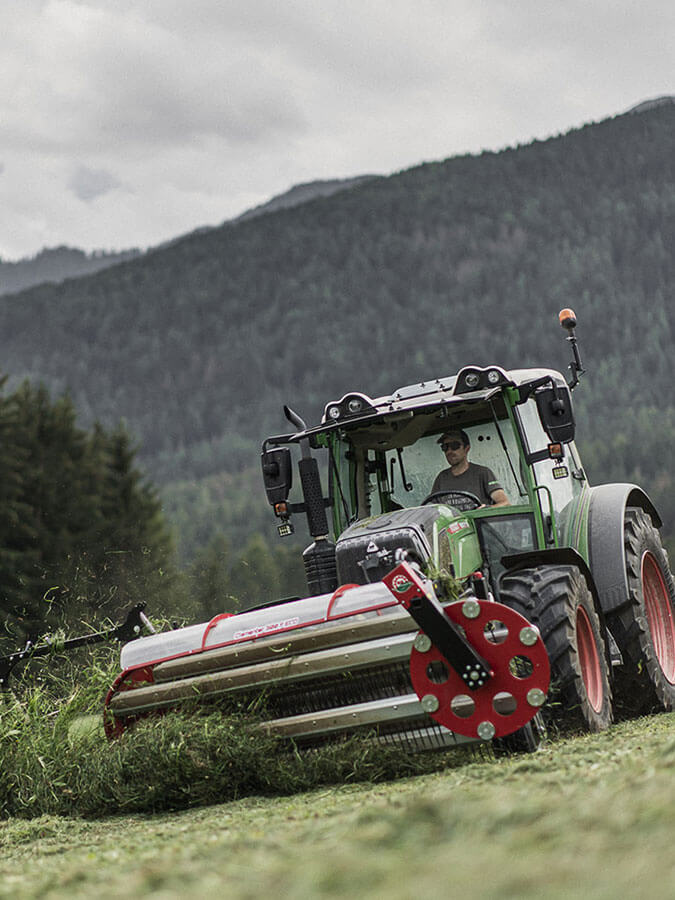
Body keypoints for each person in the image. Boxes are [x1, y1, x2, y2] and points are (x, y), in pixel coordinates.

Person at [431, 429, 509, 507]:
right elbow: (431, 508)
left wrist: (487, 509)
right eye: (445, 447)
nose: (449, 451)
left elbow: (505, 503)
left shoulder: (483, 473)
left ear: (467, 448)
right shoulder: (441, 478)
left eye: (454, 446)